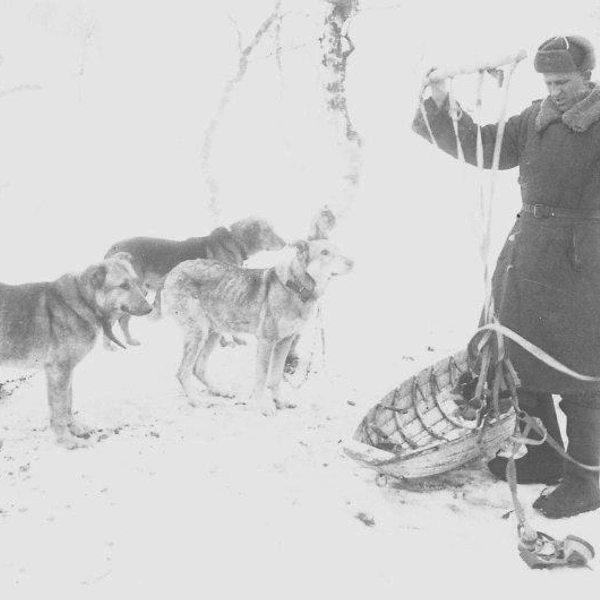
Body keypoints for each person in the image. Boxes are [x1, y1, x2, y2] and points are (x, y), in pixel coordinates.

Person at [413, 35, 600, 519]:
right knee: (514, 353)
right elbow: (483, 146)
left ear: (588, 76)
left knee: (583, 375)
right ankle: (541, 453)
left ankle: (586, 480)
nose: (555, 90)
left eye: (564, 81)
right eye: (548, 81)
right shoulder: (534, 118)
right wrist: (440, 103)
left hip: (584, 261)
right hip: (528, 253)